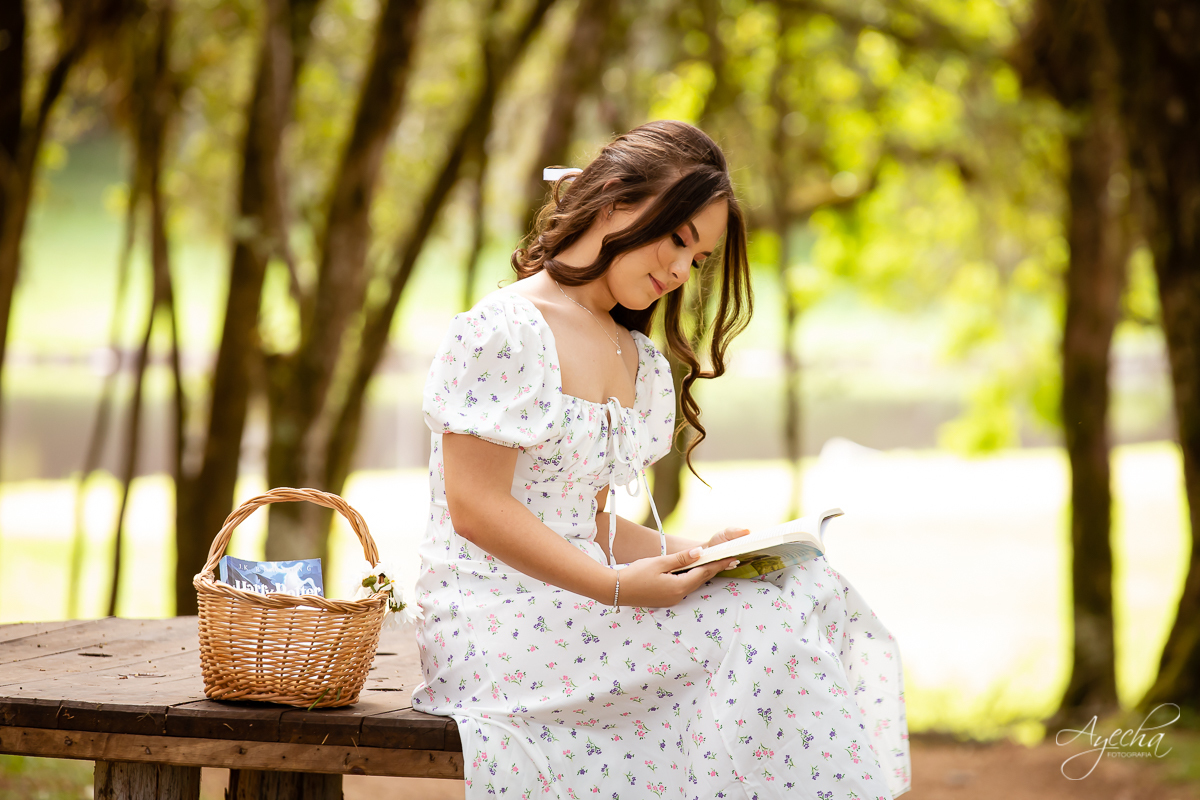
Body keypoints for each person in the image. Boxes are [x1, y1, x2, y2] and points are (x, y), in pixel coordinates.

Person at [411, 120, 911, 799]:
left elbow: (585, 526)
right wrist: (615, 587)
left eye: (698, 260)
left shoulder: (635, 356)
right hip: (492, 623)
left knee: (800, 591)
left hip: (576, 605)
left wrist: (699, 556)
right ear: (615, 199)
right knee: (761, 629)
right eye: (678, 239)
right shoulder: (504, 329)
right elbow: (477, 509)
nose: (680, 271)